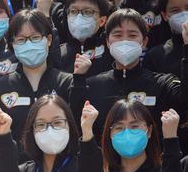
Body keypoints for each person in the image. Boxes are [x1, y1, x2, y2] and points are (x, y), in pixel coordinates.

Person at [75, 8, 188, 143]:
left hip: (154, 162)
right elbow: (75, 123)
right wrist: (78, 78)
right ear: (108, 42)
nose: (125, 41)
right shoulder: (93, 85)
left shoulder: (162, 84)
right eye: (117, 35)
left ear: (144, 42)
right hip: (104, 162)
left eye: (132, 35)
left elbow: (184, 103)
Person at [0, 9, 80, 158]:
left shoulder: (67, 82)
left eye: (35, 37)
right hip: (17, 170)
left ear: (49, 40)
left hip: (60, 168)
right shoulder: (0, 87)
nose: (29, 44)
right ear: (12, 45)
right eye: (21, 40)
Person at [52, 0, 114, 77]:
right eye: (73, 11)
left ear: (102, 21)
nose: (79, 17)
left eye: (87, 12)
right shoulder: (59, 54)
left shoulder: (111, 50)